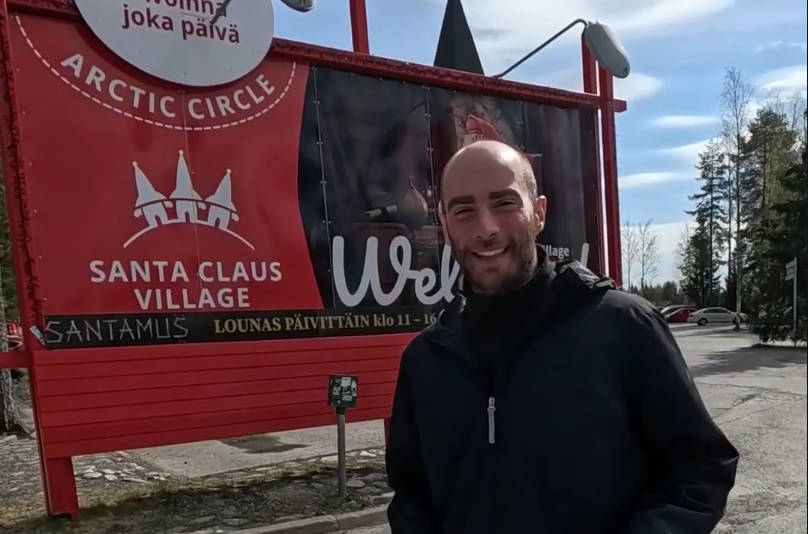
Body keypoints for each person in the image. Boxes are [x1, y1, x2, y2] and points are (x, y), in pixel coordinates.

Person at [385, 139, 739, 534]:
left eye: (504, 203)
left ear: (538, 213)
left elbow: (699, 468)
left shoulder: (622, 326)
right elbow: (411, 496)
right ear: (445, 224)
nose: (485, 228)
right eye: (464, 210)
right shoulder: (426, 359)